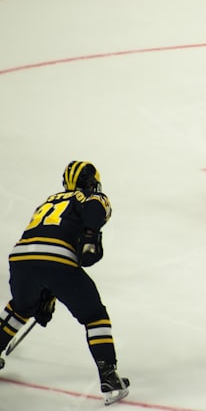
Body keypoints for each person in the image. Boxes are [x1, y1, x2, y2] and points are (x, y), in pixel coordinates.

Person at [0, 161, 129, 406]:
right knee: (94, 315)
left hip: (21, 258)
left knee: (20, 307)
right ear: (93, 182)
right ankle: (109, 376)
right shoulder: (92, 197)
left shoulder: (49, 200)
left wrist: (45, 290)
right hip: (57, 260)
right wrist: (91, 234)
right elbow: (94, 208)